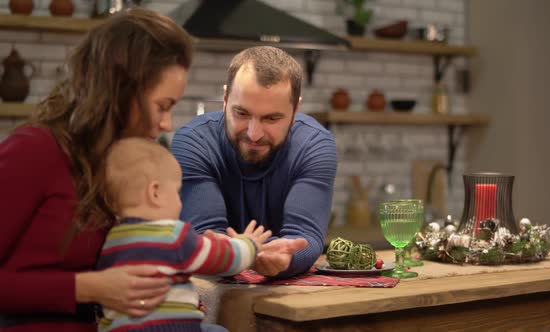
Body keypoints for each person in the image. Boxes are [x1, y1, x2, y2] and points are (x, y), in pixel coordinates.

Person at [0, 8, 193, 331]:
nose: (167, 124)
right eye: (163, 106)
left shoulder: (113, 163)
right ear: (121, 91)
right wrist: (86, 288)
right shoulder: (34, 151)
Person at [170, 46, 338, 278]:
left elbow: (304, 237)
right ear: (226, 98)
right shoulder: (193, 142)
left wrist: (286, 257)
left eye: (272, 118)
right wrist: (246, 254)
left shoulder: (314, 145)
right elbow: (204, 238)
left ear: (295, 109)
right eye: (242, 113)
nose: (254, 133)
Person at [97, 138, 270, 332]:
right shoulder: (173, 236)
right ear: (155, 193)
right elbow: (226, 259)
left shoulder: (112, 242)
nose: (180, 203)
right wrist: (248, 244)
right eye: (178, 192)